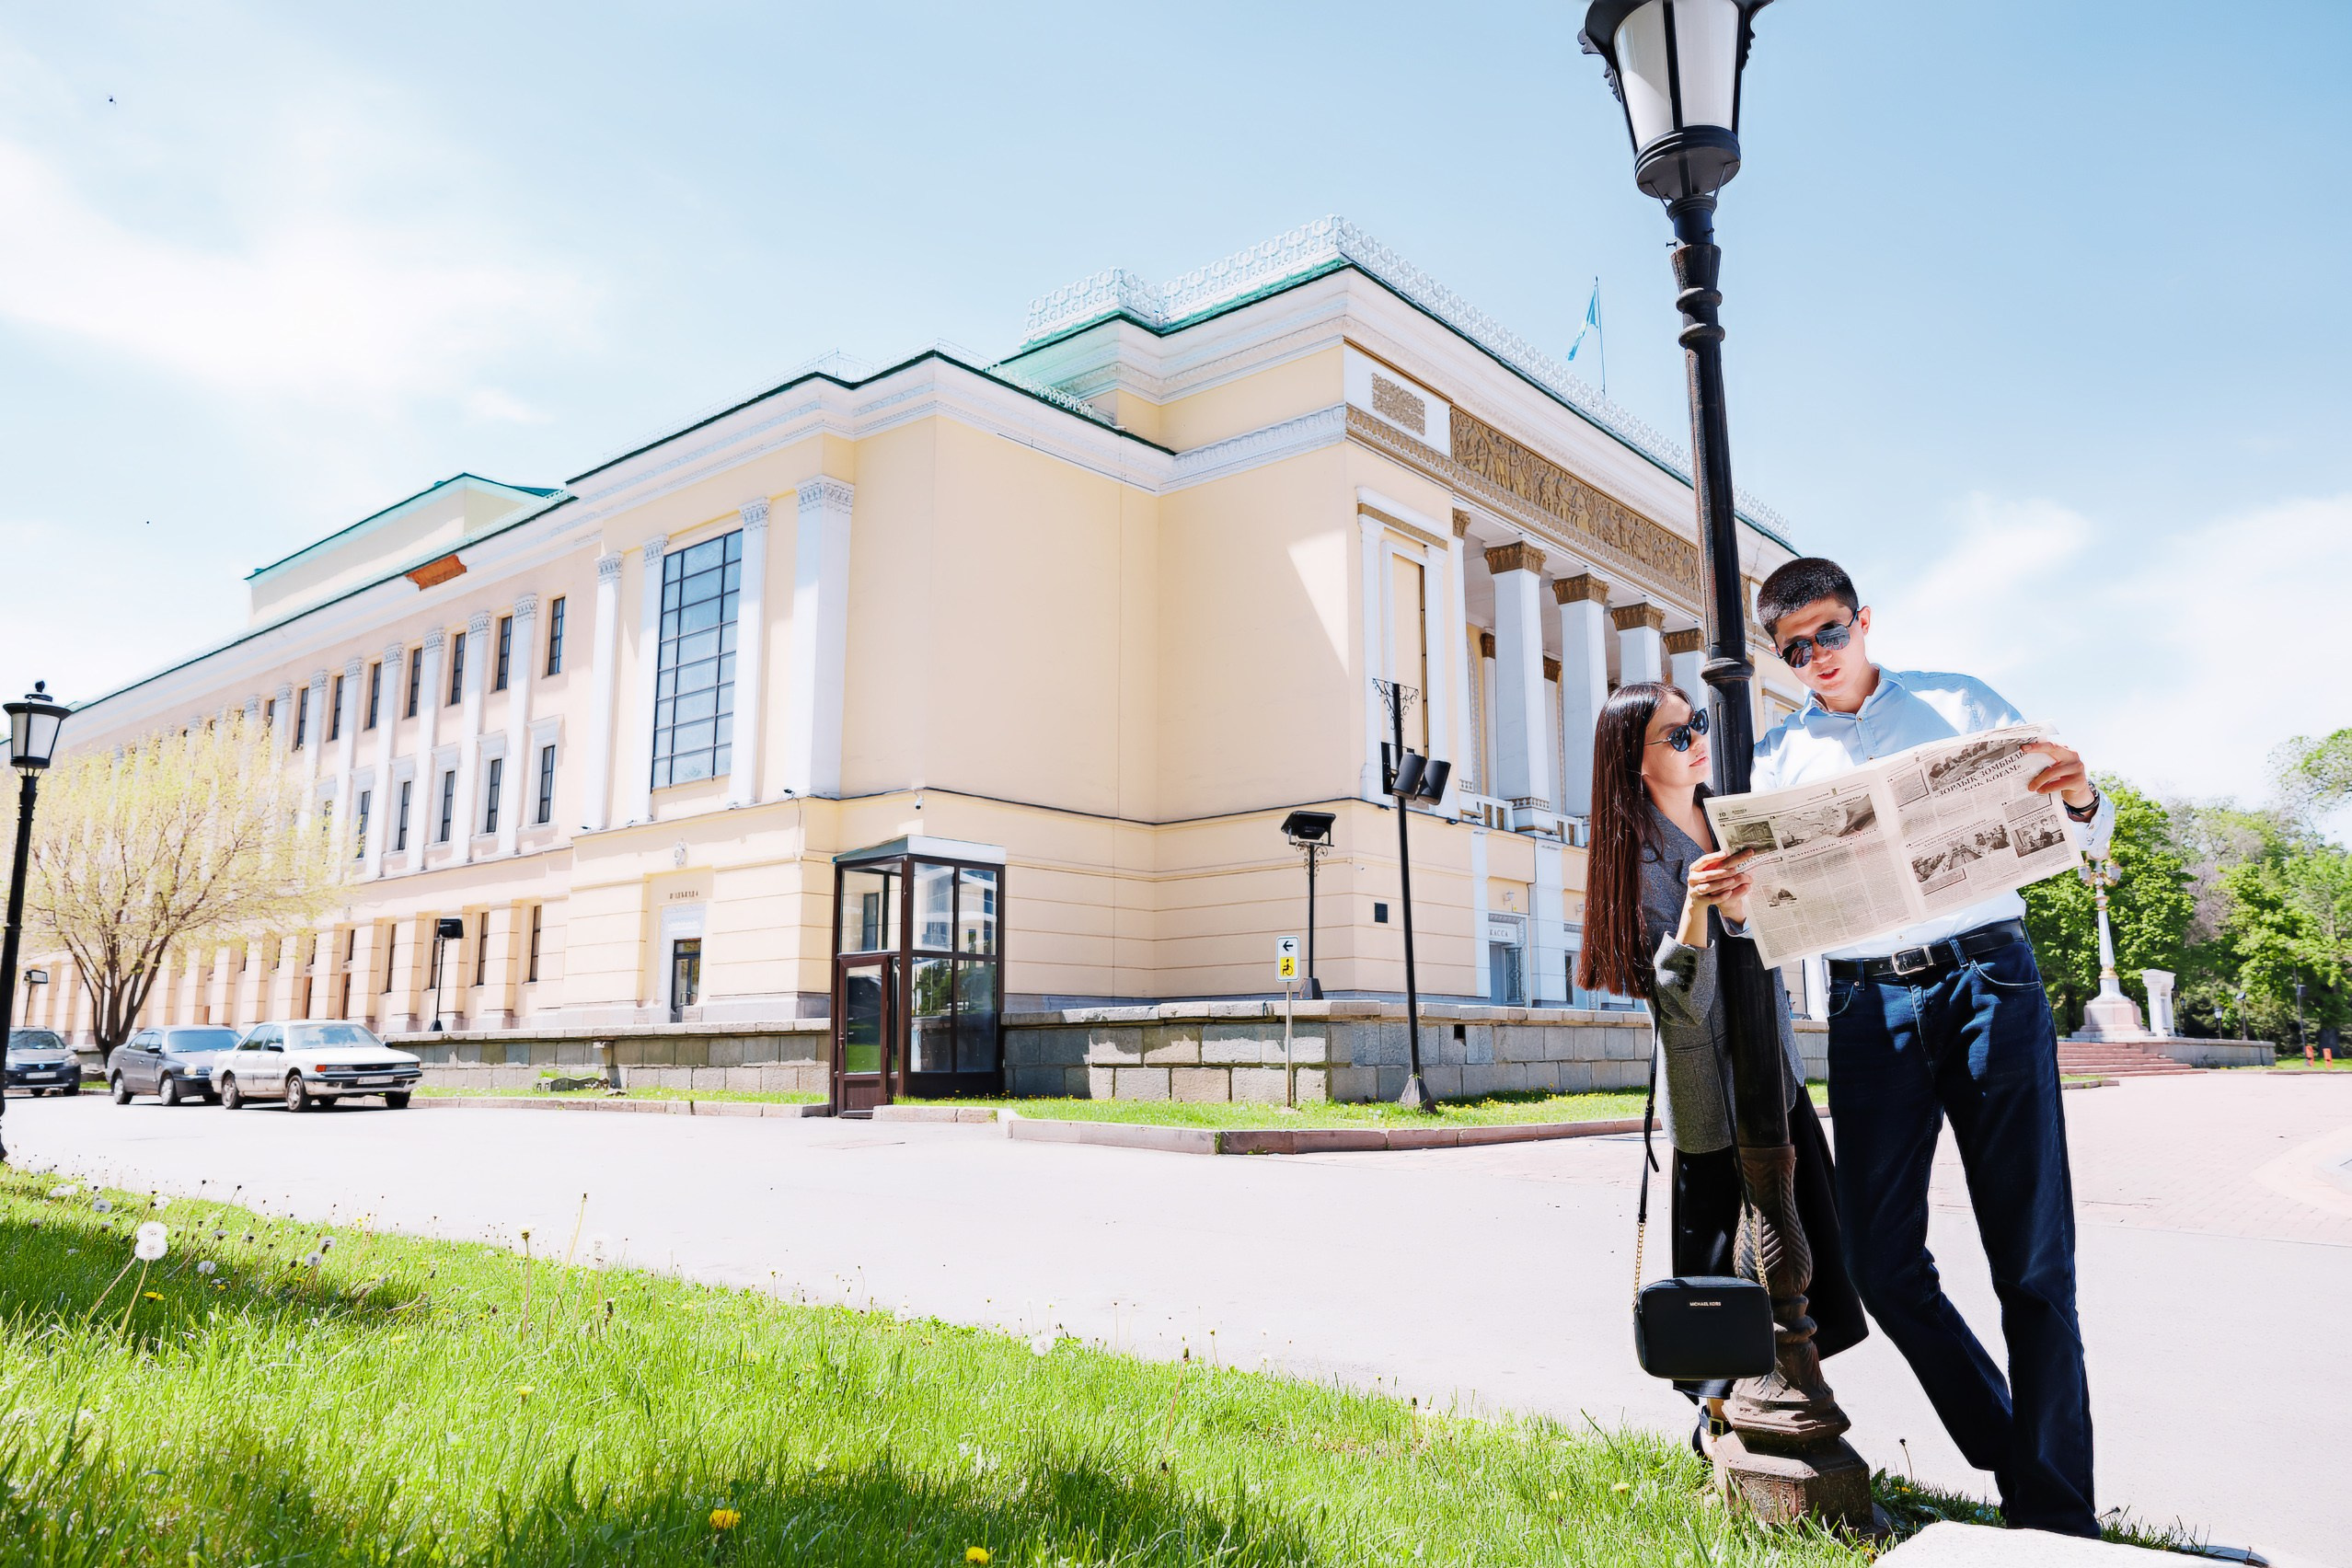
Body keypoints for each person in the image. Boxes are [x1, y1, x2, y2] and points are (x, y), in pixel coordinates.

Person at [1746, 556, 2110, 1539]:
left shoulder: (1961, 700)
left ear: (1864, 620)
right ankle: (2009, 1442)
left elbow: (2079, 834)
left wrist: (2080, 800)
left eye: (1828, 631)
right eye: (1794, 649)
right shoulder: (1778, 761)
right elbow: (1777, 909)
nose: (1816, 656)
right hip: (1870, 1006)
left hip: (1990, 977)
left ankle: (2055, 1513)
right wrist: (1747, 899)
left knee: (2032, 1260)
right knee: (1876, 1258)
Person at [1578, 679, 1867, 1458]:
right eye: (1676, 735)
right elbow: (1677, 1002)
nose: (1698, 740)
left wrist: (1751, 909)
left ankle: (1790, 1393)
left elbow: (1787, 927)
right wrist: (1701, 909)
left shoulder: (1731, 814)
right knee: (1723, 1269)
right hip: (1707, 1086)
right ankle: (1716, 1421)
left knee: (1809, 1244)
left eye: (1697, 723)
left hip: (1773, 1064)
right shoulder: (1629, 853)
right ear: (1631, 760)